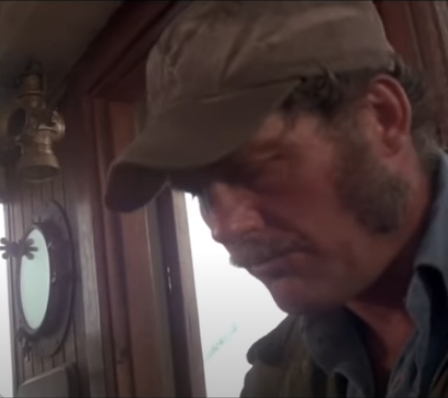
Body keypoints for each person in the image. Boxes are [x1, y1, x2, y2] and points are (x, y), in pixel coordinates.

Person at [105, 1, 448, 397]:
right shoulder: (276, 375)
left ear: (382, 117)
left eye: (256, 170)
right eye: (201, 193)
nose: (224, 227)